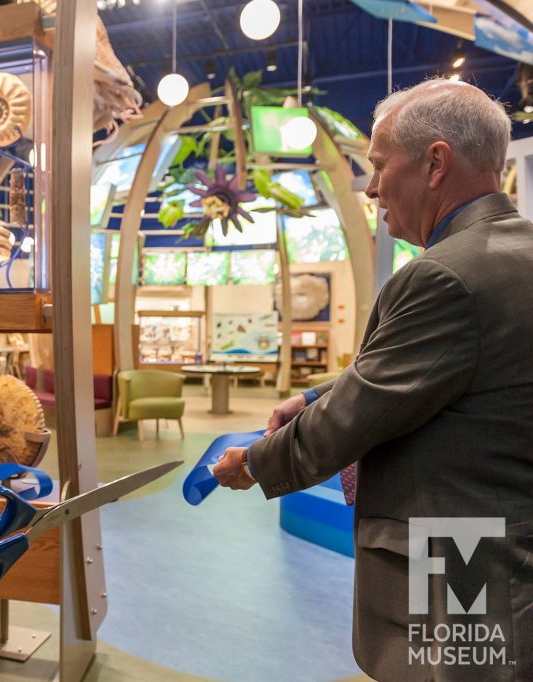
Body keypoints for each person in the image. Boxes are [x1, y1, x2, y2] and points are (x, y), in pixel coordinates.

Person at [214, 79, 533, 681]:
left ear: (436, 163)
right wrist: (312, 395)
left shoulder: (443, 277)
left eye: (380, 166)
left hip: (462, 560)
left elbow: (353, 419)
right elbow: (438, 368)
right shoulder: (512, 255)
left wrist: (254, 462)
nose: (373, 188)